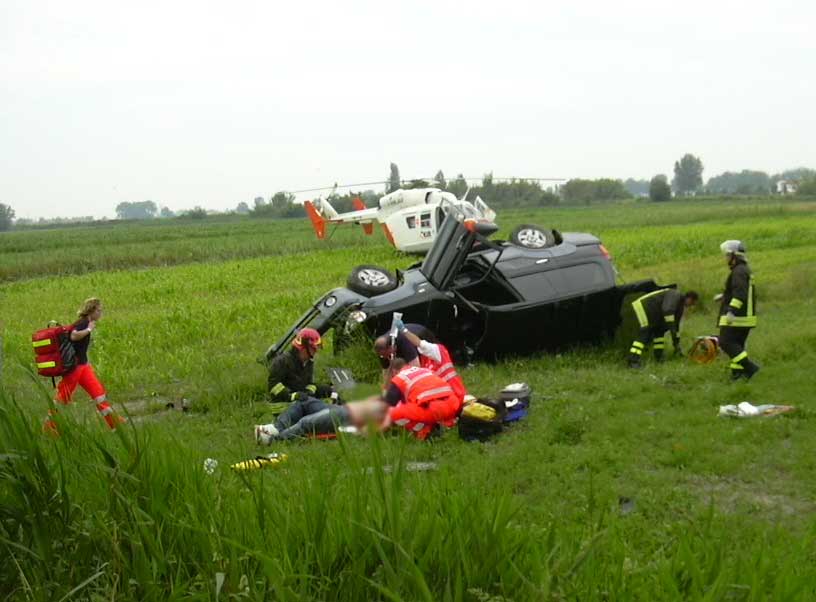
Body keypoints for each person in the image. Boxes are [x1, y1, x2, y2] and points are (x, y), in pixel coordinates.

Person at [44, 298, 124, 433]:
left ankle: (115, 423)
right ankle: (49, 427)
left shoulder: (86, 322)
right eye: (99, 310)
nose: (101, 313)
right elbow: (74, 336)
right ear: (91, 311)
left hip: (83, 366)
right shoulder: (83, 323)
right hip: (75, 367)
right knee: (63, 397)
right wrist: (88, 329)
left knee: (98, 394)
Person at [390, 317, 466, 404]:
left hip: (454, 394)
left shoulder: (437, 351)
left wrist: (404, 330)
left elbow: (419, 343)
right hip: (443, 398)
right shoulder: (424, 361)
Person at [380, 358, 462, 440]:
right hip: (453, 404)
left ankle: (426, 429)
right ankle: (447, 422)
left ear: (394, 372)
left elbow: (387, 405)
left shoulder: (399, 378)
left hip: (433, 409)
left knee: (392, 412)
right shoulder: (425, 370)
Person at [255, 397, 389, 442]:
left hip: (350, 417)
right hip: (348, 408)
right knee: (304, 402)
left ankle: (274, 439)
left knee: (306, 423)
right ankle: (276, 428)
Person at [717, 240, 759, 380]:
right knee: (738, 346)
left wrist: (731, 311)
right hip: (745, 317)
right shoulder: (744, 269)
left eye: (727, 255)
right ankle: (737, 375)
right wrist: (724, 296)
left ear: (734, 256)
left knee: (725, 342)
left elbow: (740, 294)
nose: (726, 258)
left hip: (737, 317)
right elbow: (739, 291)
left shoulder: (738, 271)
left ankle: (750, 368)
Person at [628, 288, 699, 368]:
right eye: (692, 303)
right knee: (645, 332)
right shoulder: (675, 294)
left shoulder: (680, 306)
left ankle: (659, 357)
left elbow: (676, 326)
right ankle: (633, 361)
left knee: (659, 332)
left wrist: (676, 343)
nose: (691, 306)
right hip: (643, 306)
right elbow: (667, 310)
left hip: (654, 311)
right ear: (689, 298)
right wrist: (672, 328)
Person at [267, 328, 336, 403]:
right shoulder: (282, 362)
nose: (315, 351)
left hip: (301, 403)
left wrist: (329, 391)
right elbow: (273, 386)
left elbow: (307, 385)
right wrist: (291, 396)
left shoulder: (308, 363)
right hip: (285, 406)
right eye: (313, 348)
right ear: (304, 347)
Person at [373, 322, 437, 391]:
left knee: (425, 368)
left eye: (386, 354)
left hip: (422, 335)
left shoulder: (403, 340)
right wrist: (386, 391)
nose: (384, 357)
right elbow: (386, 371)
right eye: (382, 356)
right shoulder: (381, 349)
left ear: (391, 347)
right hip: (402, 344)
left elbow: (416, 365)